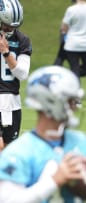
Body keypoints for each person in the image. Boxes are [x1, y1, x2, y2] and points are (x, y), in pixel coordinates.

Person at [0, 65, 86, 202]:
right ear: (51, 102)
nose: (74, 107)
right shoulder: (18, 152)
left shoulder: (81, 141)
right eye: (70, 101)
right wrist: (54, 181)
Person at [0, 0, 32, 151]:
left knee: (8, 151)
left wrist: (7, 54)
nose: (10, 29)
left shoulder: (22, 40)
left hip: (12, 102)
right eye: (7, 25)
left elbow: (23, 74)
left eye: (14, 26)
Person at [61, 0, 86, 108]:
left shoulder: (71, 9)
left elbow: (64, 27)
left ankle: (77, 99)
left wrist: (66, 31)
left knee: (75, 70)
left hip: (72, 44)